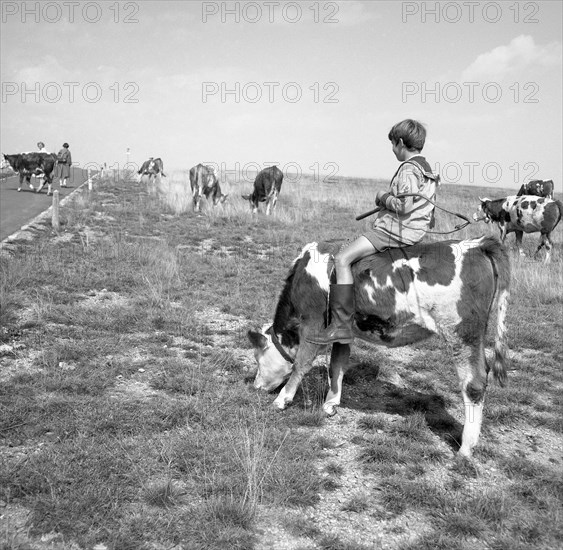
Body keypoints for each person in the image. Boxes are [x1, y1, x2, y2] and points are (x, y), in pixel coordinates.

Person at [307, 119, 440, 345]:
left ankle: (340, 325)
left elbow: (404, 206)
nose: (392, 150)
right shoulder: (428, 171)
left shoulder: (408, 169)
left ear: (400, 143)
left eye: (392, 144)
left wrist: (382, 196)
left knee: (341, 259)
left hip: (395, 232)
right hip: (415, 232)